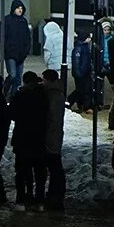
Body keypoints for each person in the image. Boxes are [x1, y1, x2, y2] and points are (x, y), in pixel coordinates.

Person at [9, 71, 47, 206]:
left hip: (22, 137)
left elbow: (12, 114)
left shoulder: (20, 95)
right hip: (38, 137)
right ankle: (39, 195)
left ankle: (22, 195)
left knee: (21, 170)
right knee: (39, 169)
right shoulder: (42, 95)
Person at [41, 69, 67, 209]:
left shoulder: (52, 95)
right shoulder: (57, 93)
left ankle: (55, 195)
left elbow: (50, 117)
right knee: (54, 166)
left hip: (51, 135)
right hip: (54, 135)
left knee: (54, 166)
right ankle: (55, 194)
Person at [0, 1, 32, 98]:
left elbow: (27, 38)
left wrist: (26, 51)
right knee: (12, 75)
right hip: (11, 54)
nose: (20, 10)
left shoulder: (23, 21)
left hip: (21, 54)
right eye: (18, 8)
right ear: (13, 9)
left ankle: (13, 97)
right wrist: (6, 50)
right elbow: (2, 37)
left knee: (18, 79)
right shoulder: (7, 20)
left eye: (21, 8)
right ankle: (4, 90)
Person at [71, 25, 101, 112]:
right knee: (85, 90)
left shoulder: (84, 47)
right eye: (88, 37)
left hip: (84, 72)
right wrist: (79, 73)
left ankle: (81, 104)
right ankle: (85, 106)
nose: (90, 39)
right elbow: (77, 62)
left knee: (84, 90)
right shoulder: (80, 48)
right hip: (81, 73)